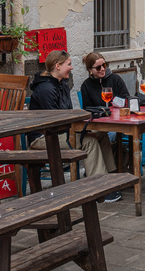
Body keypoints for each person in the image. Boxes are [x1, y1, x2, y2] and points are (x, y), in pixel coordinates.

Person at [27, 51, 121, 203]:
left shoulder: (62, 85)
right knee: (89, 142)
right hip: (42, 137)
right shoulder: (46, 89)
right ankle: (99, 188)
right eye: (68, 64)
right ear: (57, 66)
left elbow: (67, 114)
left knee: (101, 134)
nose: (71, 68)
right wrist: (79, 130)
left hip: (60, 132)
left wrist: (81, 128)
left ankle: (110, 179)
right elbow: (54, 122)